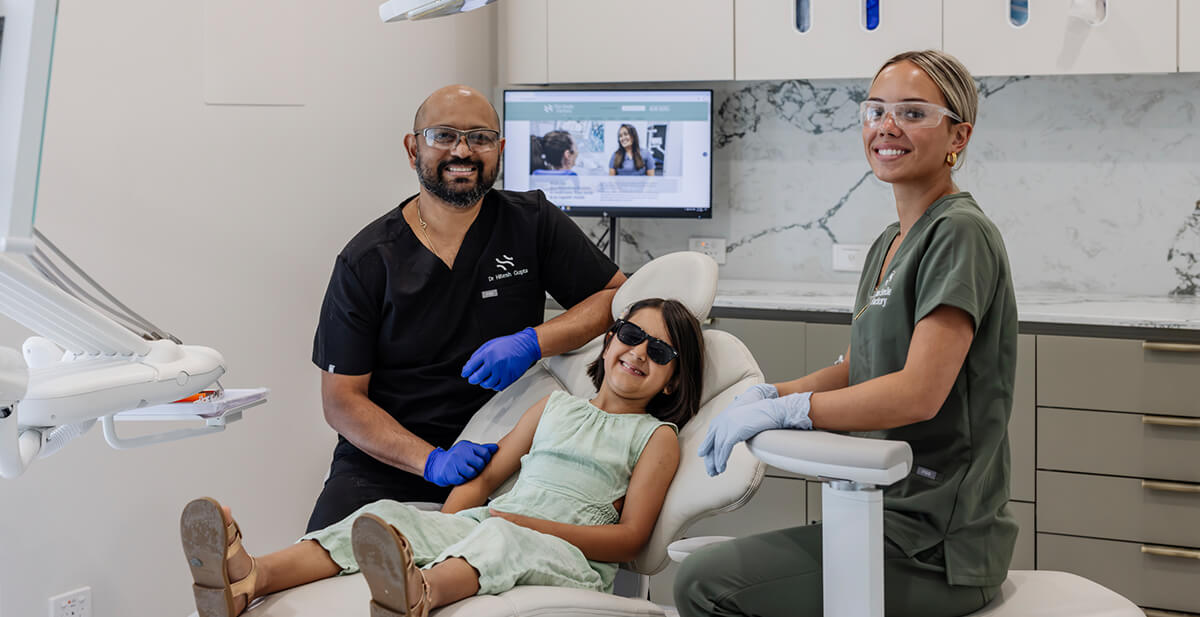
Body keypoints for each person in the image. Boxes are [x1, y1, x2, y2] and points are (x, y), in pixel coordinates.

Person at [677, 50, 1018, 617]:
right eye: (875, 110)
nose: (886, 126)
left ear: (958, 133)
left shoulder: (959, 233)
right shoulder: (889, 242)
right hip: (883, 515)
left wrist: (795, 412)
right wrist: (769, 395)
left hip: (939, 545)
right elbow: (864, 364)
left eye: (912, 113)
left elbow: (917, 392)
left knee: (705, 584)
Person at [181, 298, 705, 617]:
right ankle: (252, 576)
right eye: (632, 336)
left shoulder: (653, 436)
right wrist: (436, 532)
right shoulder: (554, 407)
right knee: (391, 514)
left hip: (571, 558)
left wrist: (520, 523)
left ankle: (419, 594)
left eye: (659, 352)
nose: (638, 354)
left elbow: (632, 540)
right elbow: (485, 480)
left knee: (502, 537)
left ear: (674, 378)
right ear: (609, 339)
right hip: (498, 526)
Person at [308, 85, 625, 533]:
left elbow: (616, 296)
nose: (462, 150)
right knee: (324, 566)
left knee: (496, 571)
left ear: (500, 149)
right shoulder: (367, 261)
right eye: (443, 135)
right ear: (412, 146)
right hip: (389, 462)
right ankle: (248, 577)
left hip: (509, 450)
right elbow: (342, 402)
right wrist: (431, 462)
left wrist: (534, 341)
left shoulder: (531, 222)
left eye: (479, 137)